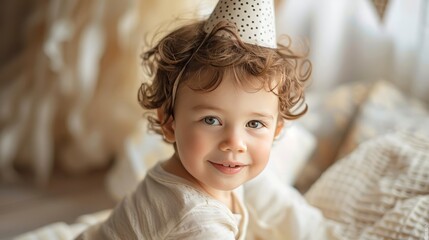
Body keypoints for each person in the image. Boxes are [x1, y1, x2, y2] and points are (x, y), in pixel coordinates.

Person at [76, 0, 334, 239]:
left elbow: (285, 211)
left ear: (276, 130)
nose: (235, 143)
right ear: (168, 121)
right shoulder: (197, 223)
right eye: (211, 120)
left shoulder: (215, 172)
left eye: (254, 124)